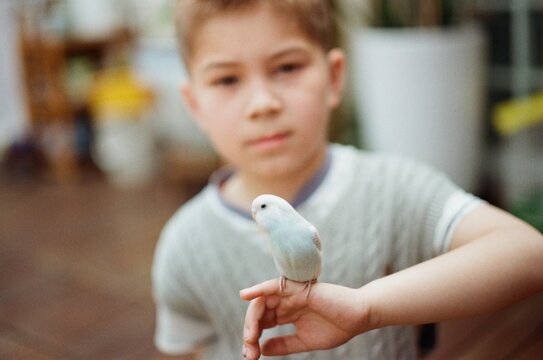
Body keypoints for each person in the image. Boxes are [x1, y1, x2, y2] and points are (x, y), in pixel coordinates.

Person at [151, 0, 543, 359]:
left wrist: (369, 308)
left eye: (287, 67)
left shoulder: (395, 188)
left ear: (335, 76)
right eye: (226, 80)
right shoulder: (183, 246)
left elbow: (529, 254)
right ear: (194, 105)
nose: (263, 103)